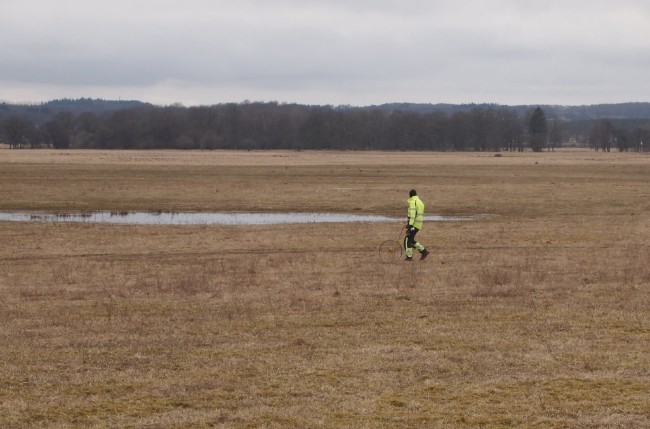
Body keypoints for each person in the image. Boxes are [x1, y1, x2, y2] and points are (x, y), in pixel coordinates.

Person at [404, 189, 429, 261]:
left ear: (410, 195)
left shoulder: (413, 202)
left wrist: (410, 225)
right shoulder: (420, 202)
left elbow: (412, 215)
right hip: (418, 224)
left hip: (414, 225)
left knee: (408, 240)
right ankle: (424, 251)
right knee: (411, 240)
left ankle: (409, 257)